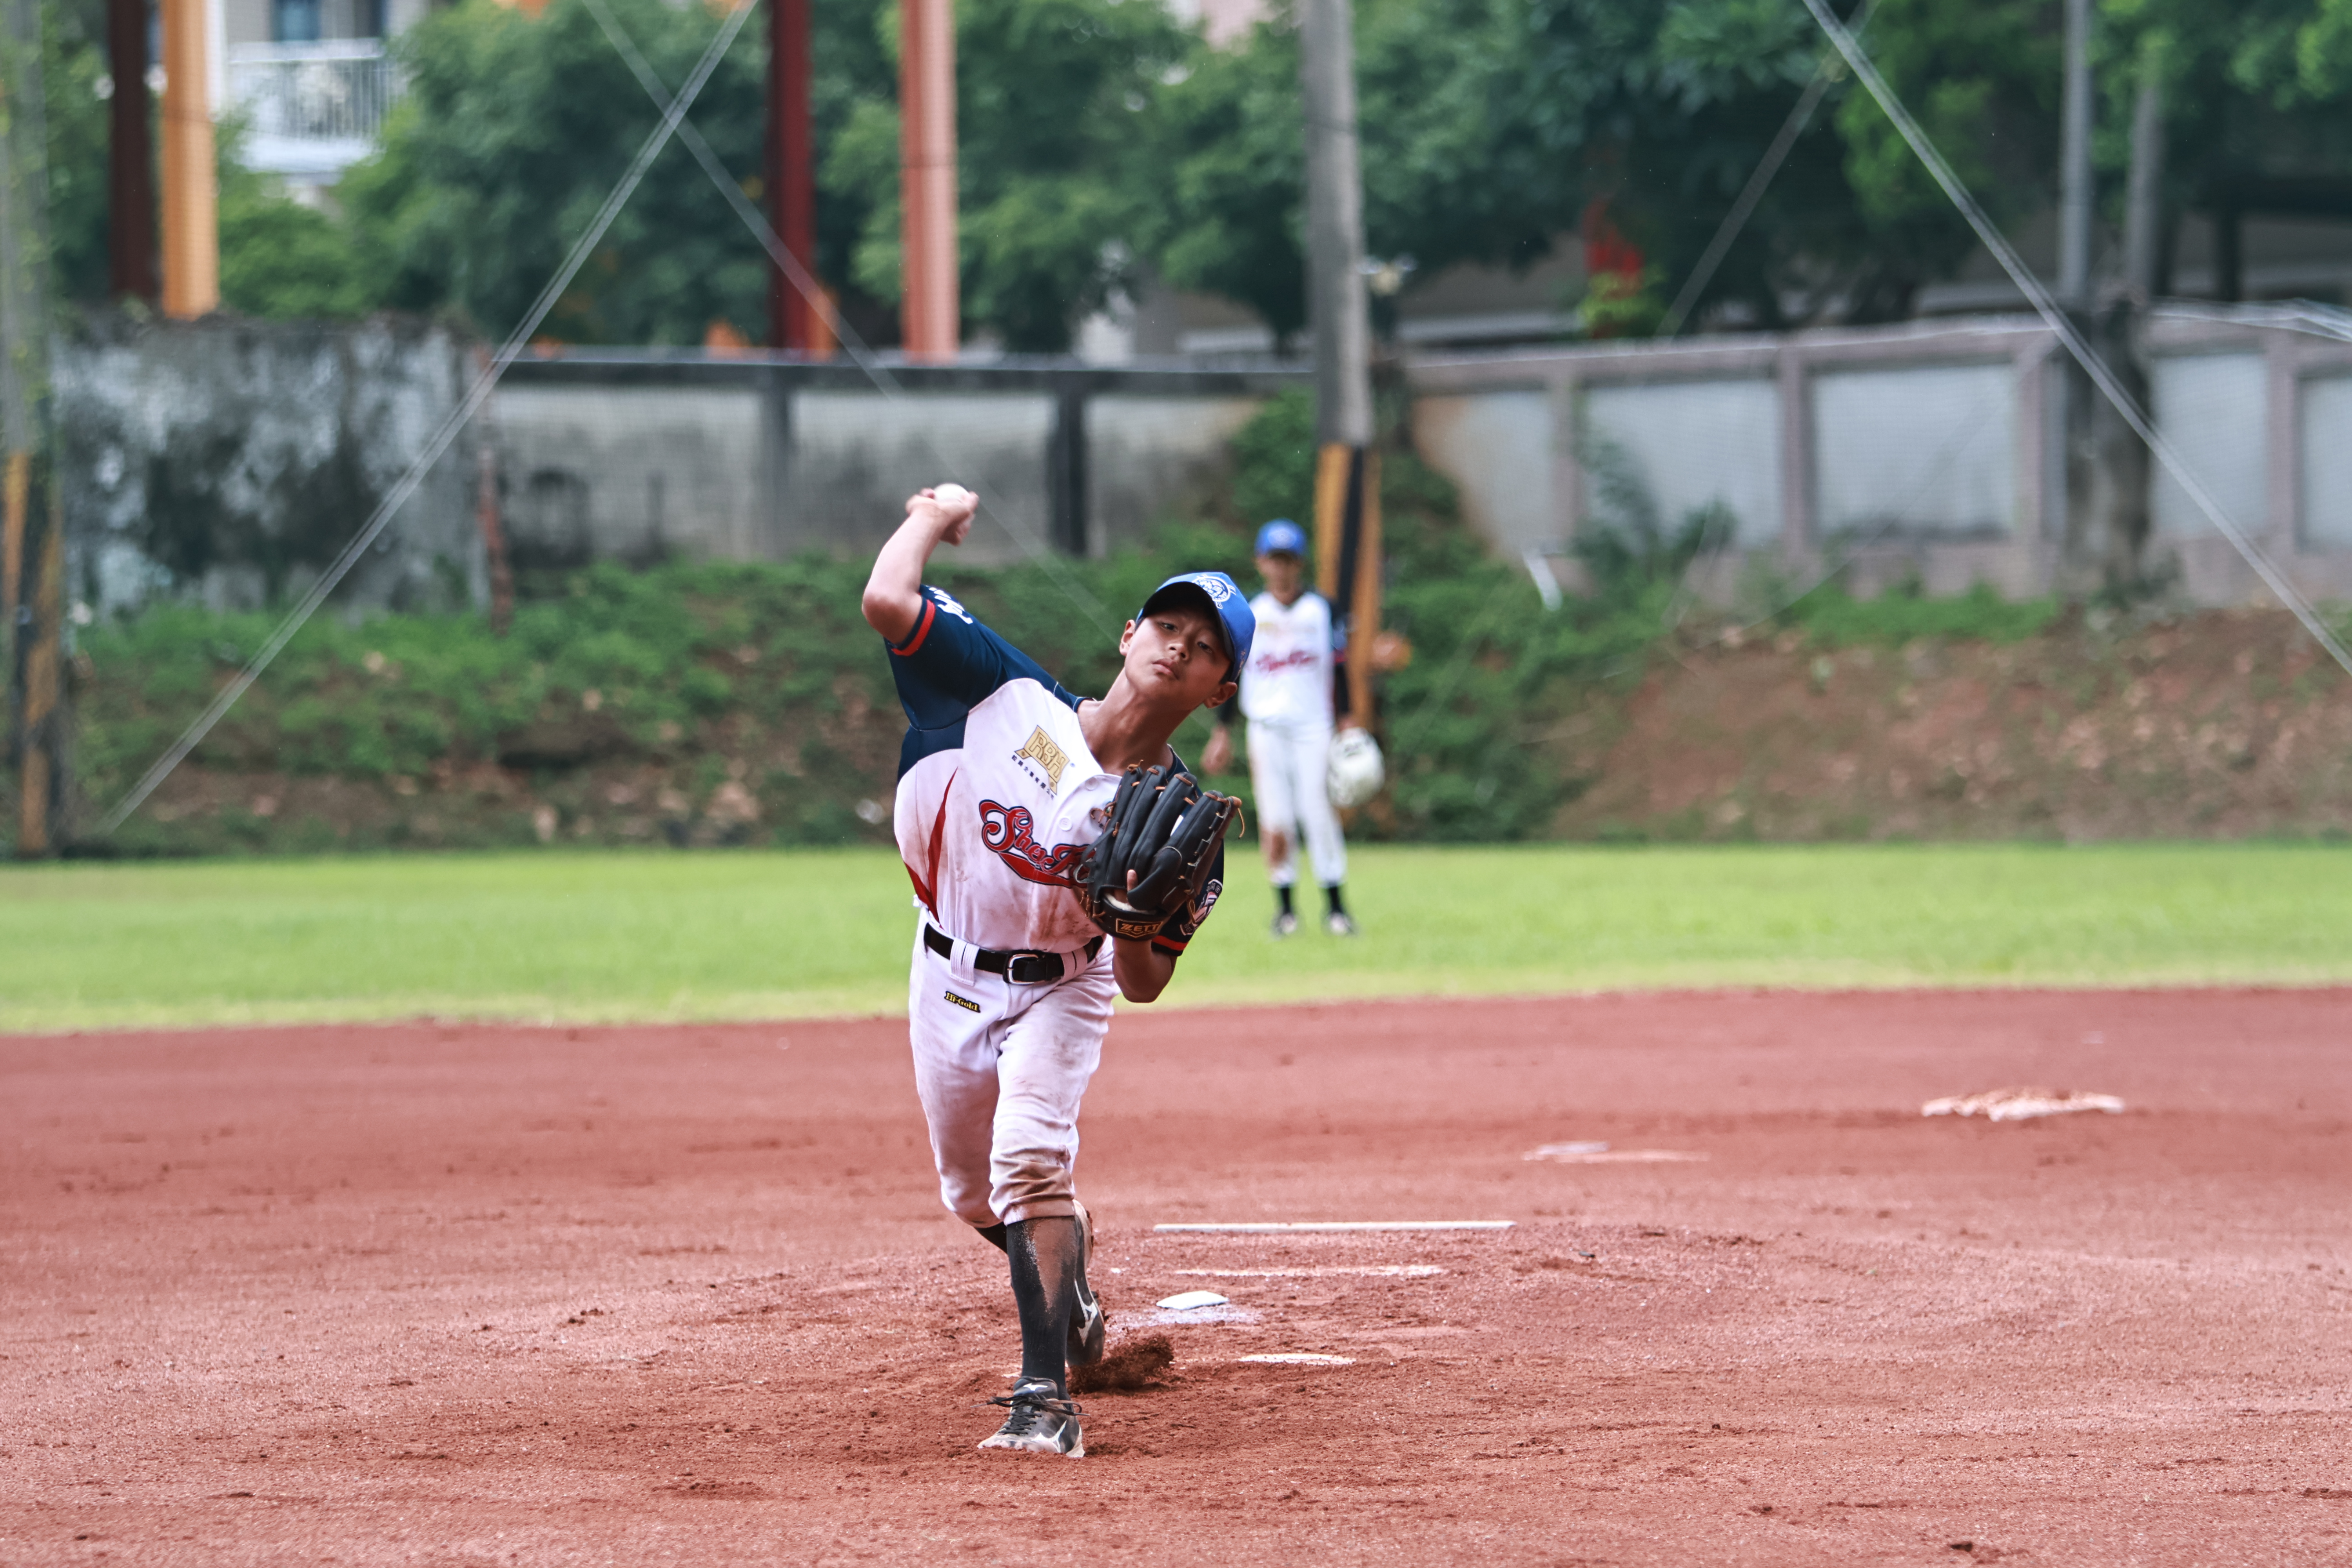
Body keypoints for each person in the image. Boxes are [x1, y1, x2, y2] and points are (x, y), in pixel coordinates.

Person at [860, 484, 1253, 1459]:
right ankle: (1067, 1282)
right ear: (1128, 634)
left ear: (1220, 688)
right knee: (972, 1194)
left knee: (1030, 1157)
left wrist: (1134, 917)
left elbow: (1144, 980)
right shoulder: (1010, 698)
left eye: (1206, 647)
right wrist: (934, 514)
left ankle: (1045, 1399)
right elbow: (887, 600)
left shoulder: (1183, 819)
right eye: (1167, 626)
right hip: (949, 966)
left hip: (1067, 983)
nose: (1179, 647)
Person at [1201, 518, 1358, 937]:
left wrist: (1348, 723)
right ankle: (1286, 911)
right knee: (1276, 819)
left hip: (1314, 727)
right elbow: (1233, 674)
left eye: (1288, 560)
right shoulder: (1250, 612)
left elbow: (1340, 669)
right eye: (1274, 559)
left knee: (1319, 814)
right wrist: (1222, 731)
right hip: (1266, 728)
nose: (1281, 568)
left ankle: (1336, 909)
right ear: (1261, 562)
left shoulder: (1323, 609)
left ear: (1300, 563)